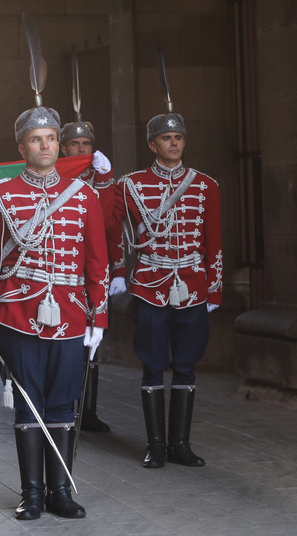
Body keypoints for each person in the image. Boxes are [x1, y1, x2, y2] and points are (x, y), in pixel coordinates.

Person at [0, 105, 109, 520]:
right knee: (29, 404)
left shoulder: (85, 196)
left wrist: (98, 320)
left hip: (69, 313)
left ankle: (60, 493)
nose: (44, 145)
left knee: (64, 403)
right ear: (22, 147)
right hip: (16, 313)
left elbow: (97, 263)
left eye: (50, 138)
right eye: (36, 139)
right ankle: (32, 494)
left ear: (58, 145)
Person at [109, 111, 223, 469]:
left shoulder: (206, 185)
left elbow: (214, 242)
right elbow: (109, 226)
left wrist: (214, 291)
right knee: (153, 366)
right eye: (166, 138)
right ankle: (156, 446)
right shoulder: (130, 185)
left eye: (178, 137)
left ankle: (181, 445)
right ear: (152, 144)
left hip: (192, 284)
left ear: (184, 142)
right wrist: (99, 180)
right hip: (149, 285)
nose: (173, 143)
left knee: (187, 366)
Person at [59, 120, 115, 433]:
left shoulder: (99, 179)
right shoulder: (52, 177)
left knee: (92, 339)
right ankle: (64, 404)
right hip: (61, 266)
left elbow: (110, 224)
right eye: (76, 145)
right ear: (64, 148)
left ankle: (88, 411)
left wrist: (105, 179)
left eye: (87, 145)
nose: (82, 150)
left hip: (89, 269)